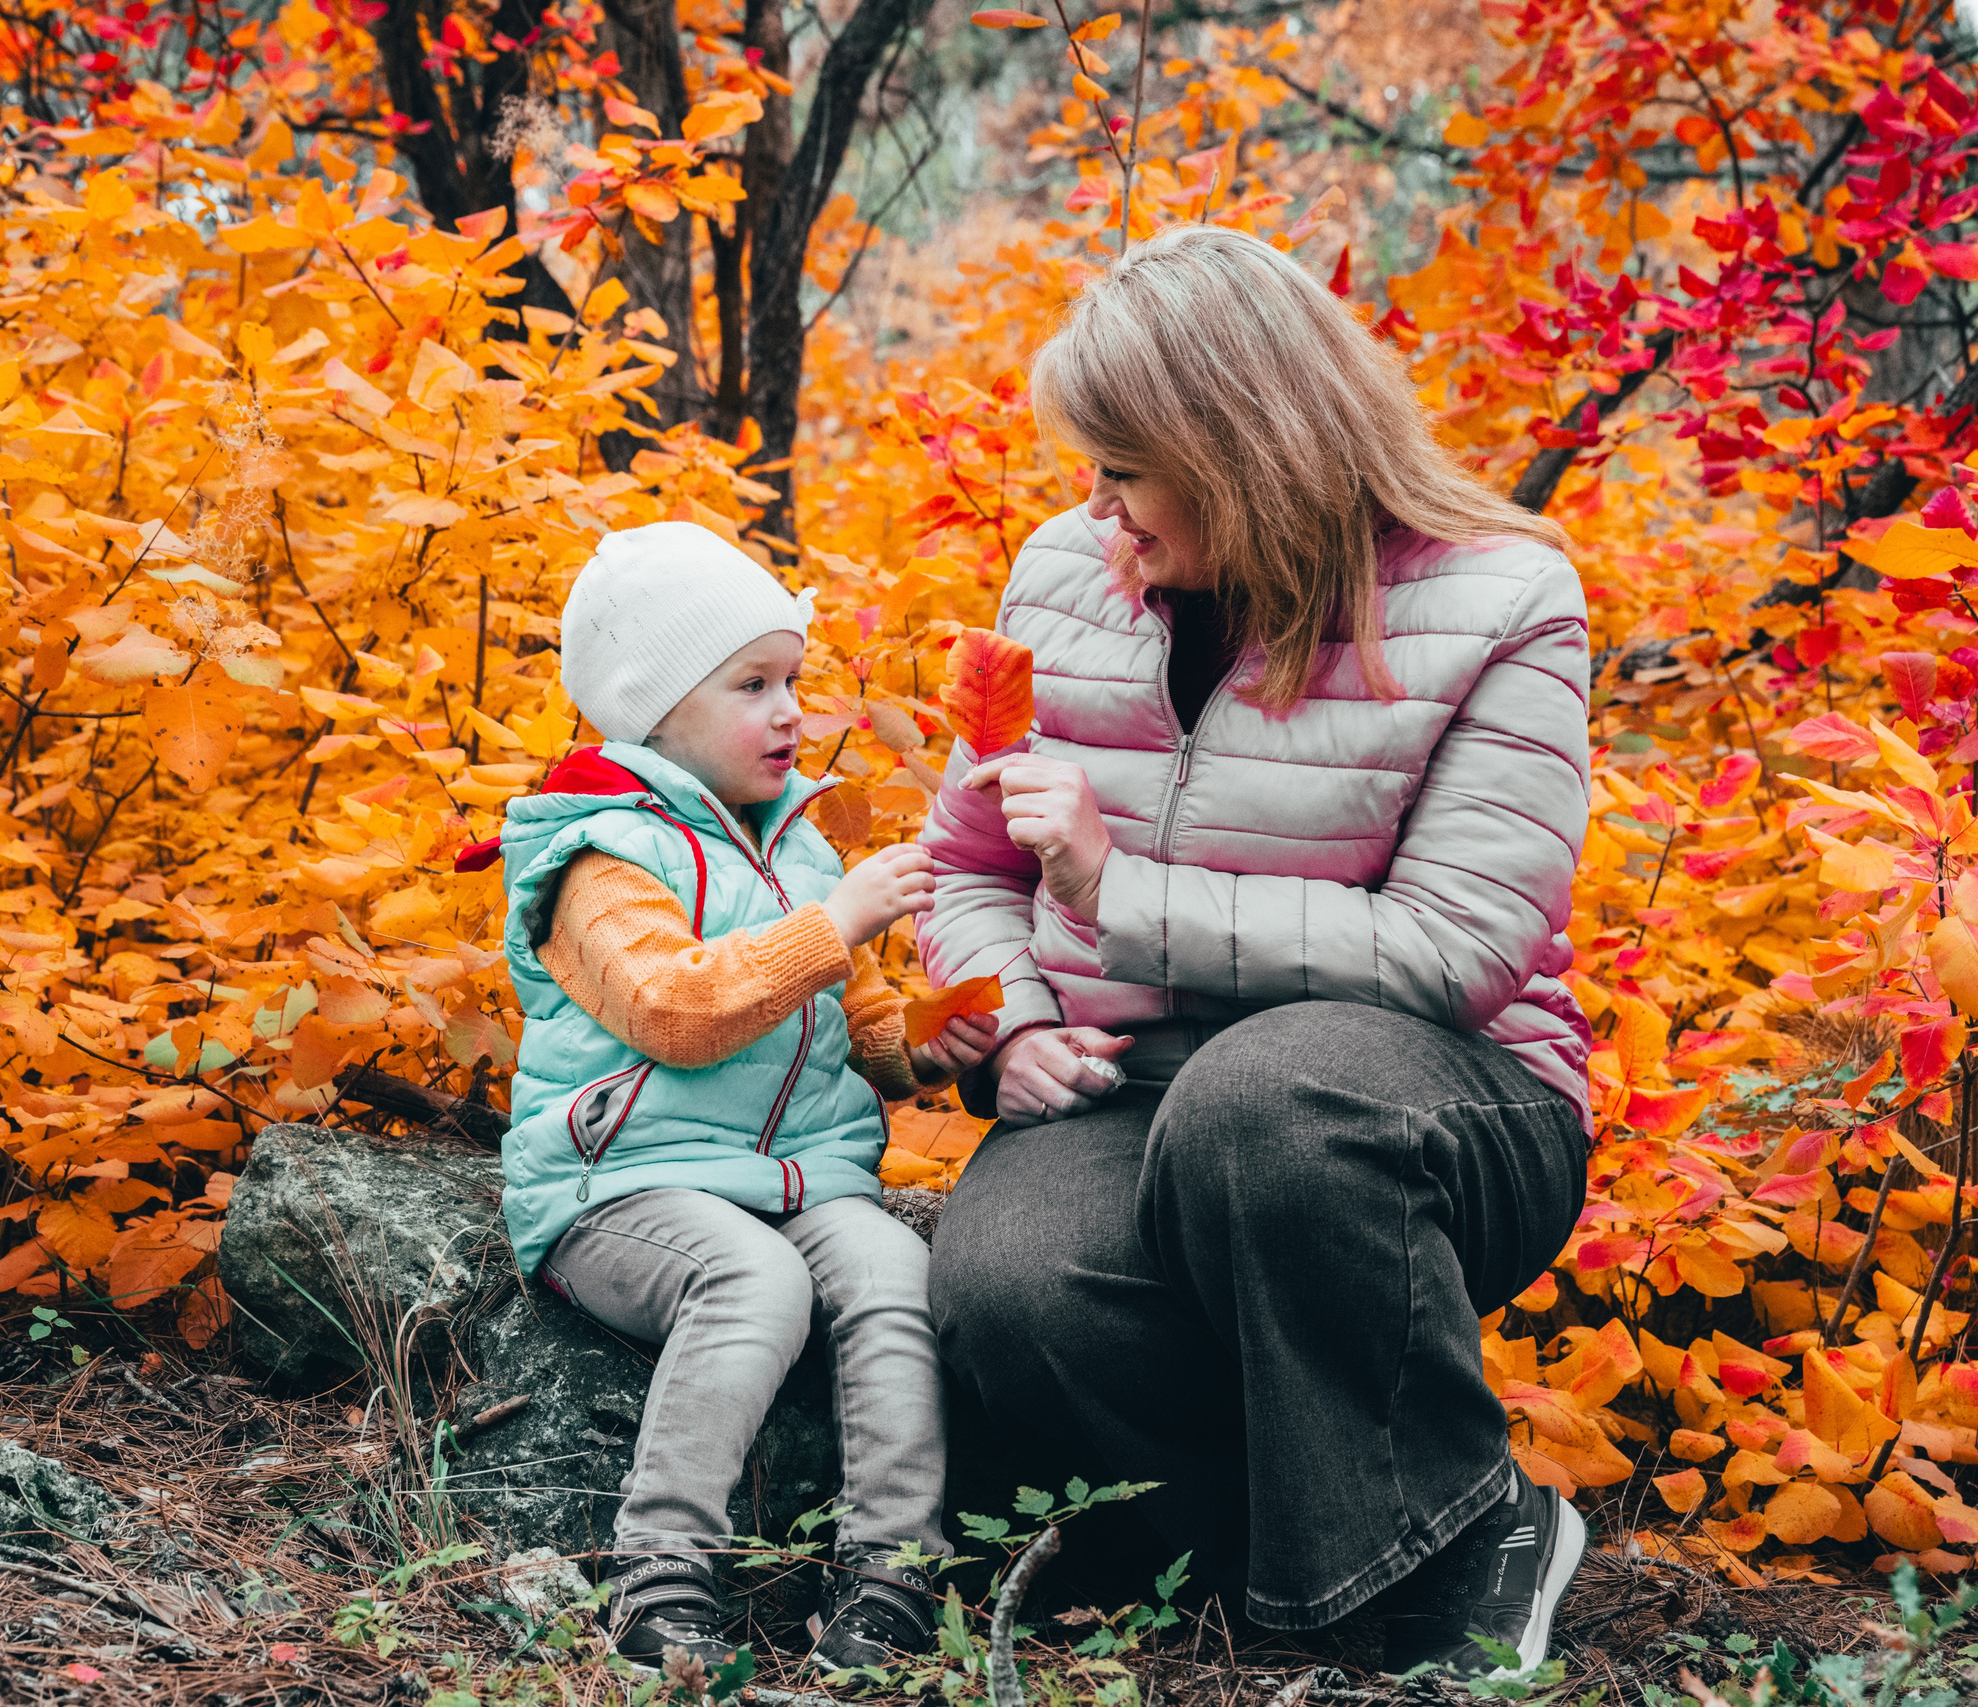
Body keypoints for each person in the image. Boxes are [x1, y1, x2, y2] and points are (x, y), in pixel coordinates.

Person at [916, 226, 1594, 1680]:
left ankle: (1467, 1539)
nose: (1094, 505)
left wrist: (1117, 884)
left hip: (1434, 1102)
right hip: (1125, 1088)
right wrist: (1016, 1014)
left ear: (1237, 447)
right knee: (1012, 1279)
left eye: (1123, 466)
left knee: (1262, 1107)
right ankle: (1258, 1555)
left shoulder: (1503, 596)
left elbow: (1459, 949)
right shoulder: (1058, 578)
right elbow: (966, 861)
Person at [493, 521, 999, 1678]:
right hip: (621, 1188)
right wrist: (835, 926)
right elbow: (675, 1010)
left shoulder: (801, 852)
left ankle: (891, 1575)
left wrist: (926, 1045)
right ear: (655, 710)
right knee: (751, 1280)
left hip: (795, 1180)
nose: (791, 714)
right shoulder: (601, 859)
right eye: (752, 685)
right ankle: (658, 1568)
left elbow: (849, 1032)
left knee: (891, 1273)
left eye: (796, 683)